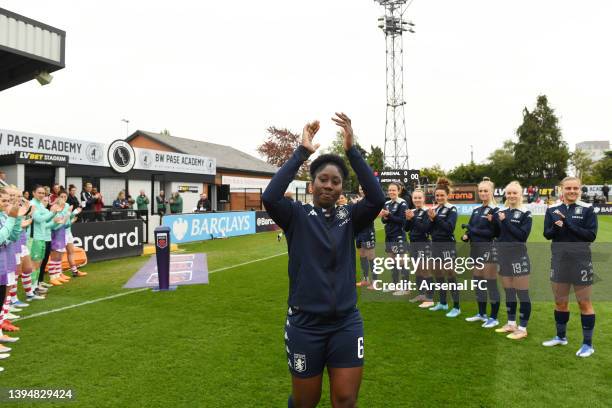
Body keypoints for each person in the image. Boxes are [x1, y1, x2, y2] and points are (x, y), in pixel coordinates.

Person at [262, 113, 385, 408]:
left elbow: (377, 199)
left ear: (342, 187)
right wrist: (301, 152)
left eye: (336, 181)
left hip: (345, 323)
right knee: (306, 401)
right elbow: (270, 196)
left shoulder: (350, 217)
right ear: (312, 184)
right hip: (305, 325)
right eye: (323, 180)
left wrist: (352, 151)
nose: (329, 185)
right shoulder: (296, 215)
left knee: (345, 400)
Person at [542, 176, 597, 358]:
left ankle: (587, 344)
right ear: (561, 190)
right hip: (559, 261)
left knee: (584, 302)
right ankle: (560, 336)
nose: (572, 191)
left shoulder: (588, 209)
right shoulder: (552, 210)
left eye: (575, 188)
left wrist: (568, 224)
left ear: (580, 190)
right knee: (560, 301)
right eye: (568, 188)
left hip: (581, 261)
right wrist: (557, 228)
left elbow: (590, 236)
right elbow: (547, 234)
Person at [493, 181, 532, 340]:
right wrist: (494, 222)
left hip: (518, 257)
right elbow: (498, 233)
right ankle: (511, 323)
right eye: (509, 193)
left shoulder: (525, 212)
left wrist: (505, 221)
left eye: (514, 193)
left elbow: (522, 235)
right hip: (503, 257)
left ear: (520, 194)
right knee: (509, 292)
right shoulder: (502, 211)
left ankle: (522, 328)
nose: (511, 196)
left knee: (522, 293)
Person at [463, 179, 500, 328]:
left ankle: (494, 317)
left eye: (486, 190)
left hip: (489, 250)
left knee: (490, 284)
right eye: (481, 191)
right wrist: (466, 235)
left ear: (492, 191)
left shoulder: (496, 211)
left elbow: (491, 233)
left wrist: (471, 231)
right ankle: (481, 314)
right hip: (475, 249)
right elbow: (471, 228)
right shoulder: (476, 210)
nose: (483, 193)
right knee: (478, 283)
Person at [427, 178, 460, 317]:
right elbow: (429, 230)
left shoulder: (452, 209)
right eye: (437, 195)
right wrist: (430, 220)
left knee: (450, 276)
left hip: (447, 245)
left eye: (442, 195)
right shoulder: (434, 209)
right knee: (439, 276)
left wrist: (436, 219)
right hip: (435, 245)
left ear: (447, 195)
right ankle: (443, 303)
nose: (439, 197)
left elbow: (449, 228)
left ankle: (457, 307)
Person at [404, 188, 434, 306]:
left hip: (424, 244)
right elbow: (406, 229)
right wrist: (407, 219)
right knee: (417, 270)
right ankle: (421, 294)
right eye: (415, 198)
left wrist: (412, 218)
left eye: (419, 198)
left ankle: (430, 298)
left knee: (425, 271)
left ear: (424, 199)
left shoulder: (428, 212)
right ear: (412, 199)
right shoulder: (412, 211)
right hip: (413, 244)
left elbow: (425, 229)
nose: (417, 200)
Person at [380, 182, 409, 296]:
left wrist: (389, 215)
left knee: (401, 261)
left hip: (399, 236)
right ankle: (395, 285)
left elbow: (403, 221)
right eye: (390, 190)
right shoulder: (387, 203)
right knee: (392, 262)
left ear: (399, 191)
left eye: (394, 190)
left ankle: (406, 288)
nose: (391, 192)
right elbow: (384, 220)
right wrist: (385, 216)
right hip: (389, 236)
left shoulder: (402, 203)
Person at [58, 190, 87, 278]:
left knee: (71, 252)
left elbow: (69, 217)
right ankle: (59, 274)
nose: (63, 198)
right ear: (58, 197)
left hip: (68, 232)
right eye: (61, 196)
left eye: (65, 197)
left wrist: (74, 212)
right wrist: (71, 221)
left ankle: (75, 271)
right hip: (60, 233)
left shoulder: (67, 205)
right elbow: (61, 222)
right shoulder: (56, 207)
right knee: (60, 255)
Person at [354, 186, 376, 288]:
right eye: (360, 188)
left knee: (371, 257)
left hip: (368, 232)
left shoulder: (371, 200)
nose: (362, 190)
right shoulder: (358, 201)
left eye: (363, 188)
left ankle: (375, 282)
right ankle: (366, 279)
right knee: (362, 256)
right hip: (359, 232)